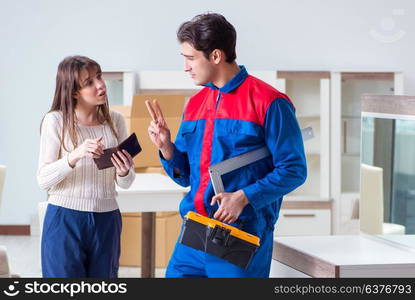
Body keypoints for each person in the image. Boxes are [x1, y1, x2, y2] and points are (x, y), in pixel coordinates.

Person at [147, 13, 307, 278]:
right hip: (194, 234)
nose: (186, 67)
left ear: (216, 56)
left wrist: (244, 197)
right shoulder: (195, 104)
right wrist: (166, 148)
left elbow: (294, 170)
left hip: (241, 235)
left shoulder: (270, 102)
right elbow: (186, 176)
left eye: (190, 58)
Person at [37, 55, 135, 277]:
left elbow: (127, 182)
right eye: (88, 82)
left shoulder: (116, 121)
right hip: (65, 218)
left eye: (99, 77)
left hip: (107, 217)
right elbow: (43, 179)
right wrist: (75, 156)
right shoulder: (55, 121)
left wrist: (123, 171)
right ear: (73, 92)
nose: (100, 85)